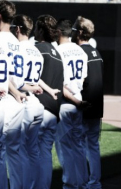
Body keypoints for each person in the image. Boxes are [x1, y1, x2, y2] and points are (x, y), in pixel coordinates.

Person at [0, 0, 26, 189]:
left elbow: (0, 76)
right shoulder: (17, 42)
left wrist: (13, 90)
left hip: (2, 98)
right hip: (17, 102)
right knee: (14, 152)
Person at [10, 15, 45, 188]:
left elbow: (17, 82)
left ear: (17, 29)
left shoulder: (17, 48)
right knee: (33, 151)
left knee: (21, 151)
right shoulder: (36, 50)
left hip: (24, 102)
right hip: (37, 105)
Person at [55, 19, 89, 189]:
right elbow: (83, 77)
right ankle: (83, 183)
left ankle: (70, 185)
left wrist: (73, 99)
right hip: (78, 100)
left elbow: (59, 84)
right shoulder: (80, 51)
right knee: (79, 146)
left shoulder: (57, 51)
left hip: (65, 103)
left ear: (59, 32)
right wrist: (77, 98)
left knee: (65, 147)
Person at [71, 16, 104, 189]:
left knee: (77, 146)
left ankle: (82, 182)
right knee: (93, 146)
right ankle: (95, 183)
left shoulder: (79, 53)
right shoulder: (96, 52)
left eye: (75, 29)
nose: (73, 32)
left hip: (84, 106)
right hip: (97, 107)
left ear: (80, 32)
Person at [33, 14, 63, 188]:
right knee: (45, 154)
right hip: (53, 112)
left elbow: (31, 77)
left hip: (38, 108)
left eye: (37, 27)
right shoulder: (58, 54)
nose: (35, 31)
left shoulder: (37, 49)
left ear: (41, 30)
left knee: (27, 153)